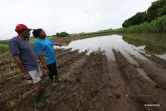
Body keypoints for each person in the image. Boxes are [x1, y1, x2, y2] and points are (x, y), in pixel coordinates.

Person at [9, 24, 49, 108]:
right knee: (37, 83)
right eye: (28, 31)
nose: (29, 33)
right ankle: (37, 100)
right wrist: (25, 73)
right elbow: (16, 58)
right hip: (29, 67)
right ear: (22, 31)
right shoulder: (14, 41)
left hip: (35, 65)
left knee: (40, 80)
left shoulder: (26, 40)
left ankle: (41, 93)